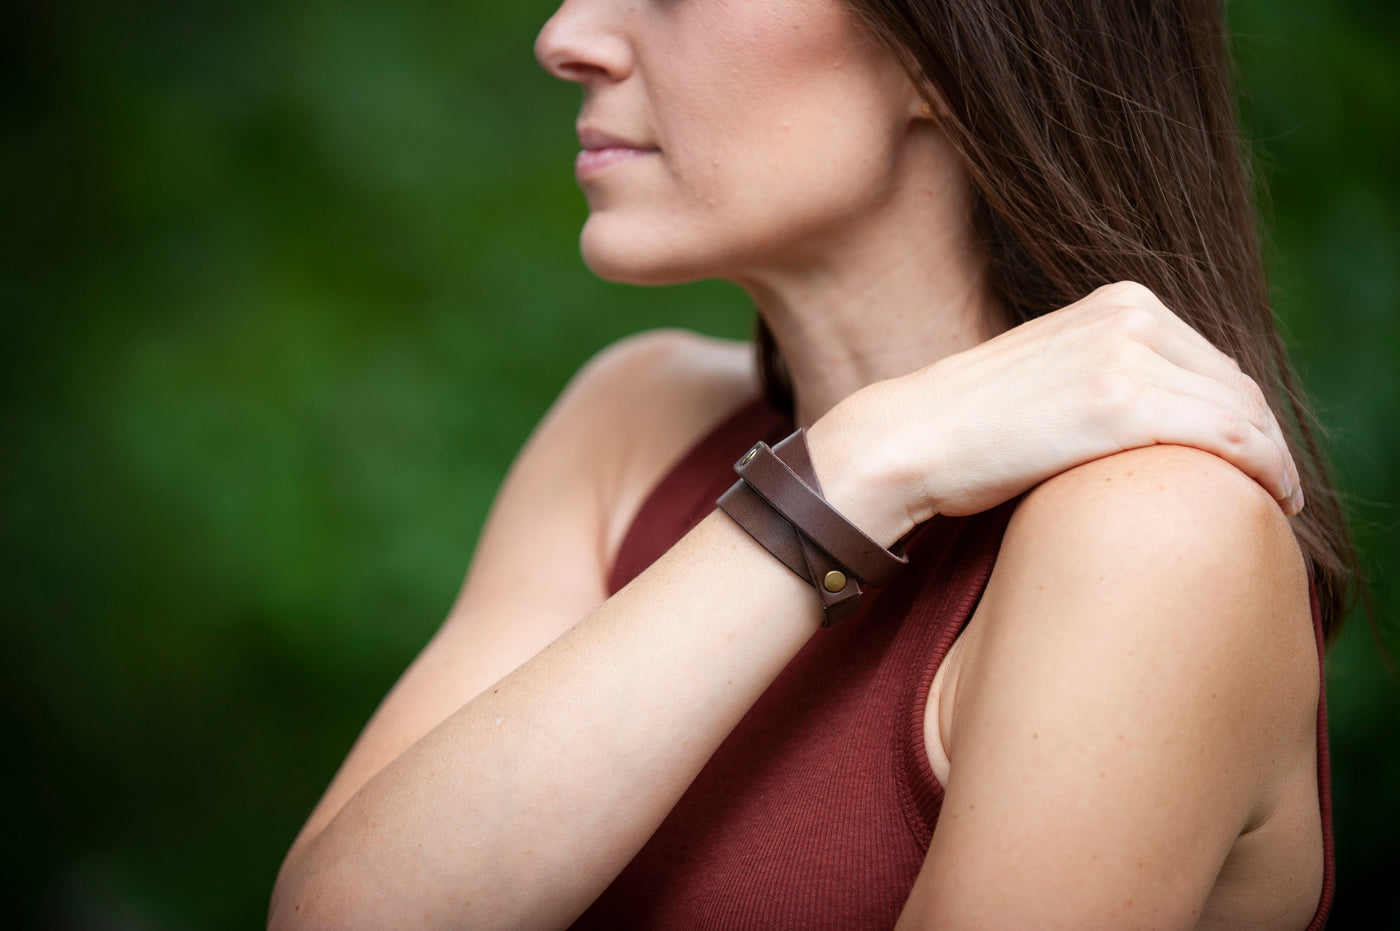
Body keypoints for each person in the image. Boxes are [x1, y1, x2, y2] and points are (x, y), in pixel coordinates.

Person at [269, 0, 1358, 927]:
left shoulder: (1153, 523)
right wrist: (861, 464)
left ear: (938, 53)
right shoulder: (631, 422)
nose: (566, 35)